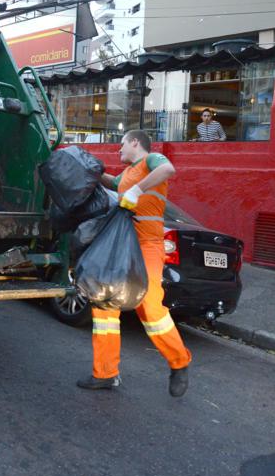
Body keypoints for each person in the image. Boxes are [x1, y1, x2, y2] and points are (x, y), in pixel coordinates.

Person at [76, 129, 192, 396]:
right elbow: (111, 182)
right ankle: (105, 373)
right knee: (105, 301)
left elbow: (169, 170)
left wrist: (138, 190)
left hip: (148, 245)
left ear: (136, 143)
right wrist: (90, 168)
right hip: (123, 244)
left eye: (122, 145)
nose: (119, 151)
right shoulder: (127, 174)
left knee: (149, 306)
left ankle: (179, 361)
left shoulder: (152, 160)